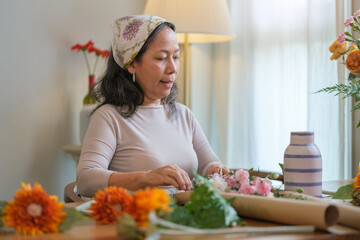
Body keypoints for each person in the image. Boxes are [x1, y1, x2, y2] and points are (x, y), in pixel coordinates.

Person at [76, 15, 228, 197]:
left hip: (186, 220)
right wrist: (146, 177)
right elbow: (85, 180)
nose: (173, 68)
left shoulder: (183, 114)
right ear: (131, 63)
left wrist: (216, 170)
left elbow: (208, 164)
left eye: (176, 57)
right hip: (139, 221)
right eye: (161, 58)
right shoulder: (109, 117)